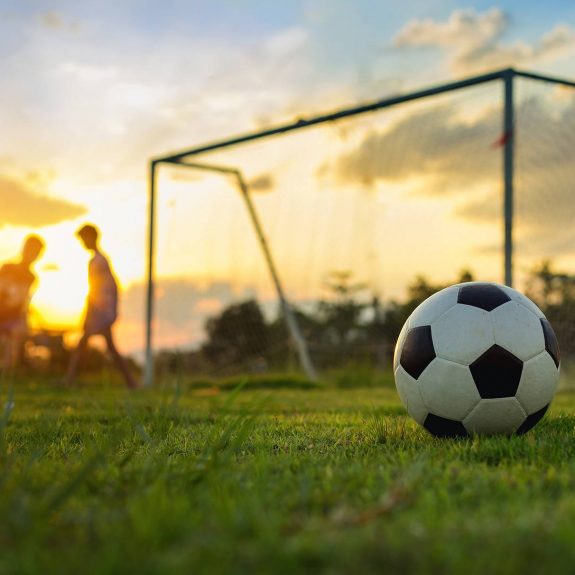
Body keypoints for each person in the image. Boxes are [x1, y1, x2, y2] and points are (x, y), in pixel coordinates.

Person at [64, 224, 138, 389]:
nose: (83, 243)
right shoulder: (100, 260)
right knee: (100, 347)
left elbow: (98, 290)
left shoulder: (98, 262)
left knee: (85, 345)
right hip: (103, 311)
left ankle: (69, 380)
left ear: (92, 238)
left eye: (84, 239)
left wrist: (90, 312)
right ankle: (131, 383)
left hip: (100, 313)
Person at [0, 235, 45, 369]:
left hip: (14, 318)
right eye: (29, 249)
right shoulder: (7, 267)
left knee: (11, 350)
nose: (31, 254)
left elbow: (24, 301)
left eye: (35, 252)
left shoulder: (32, 277)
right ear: (23, 248)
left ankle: (7, 371)